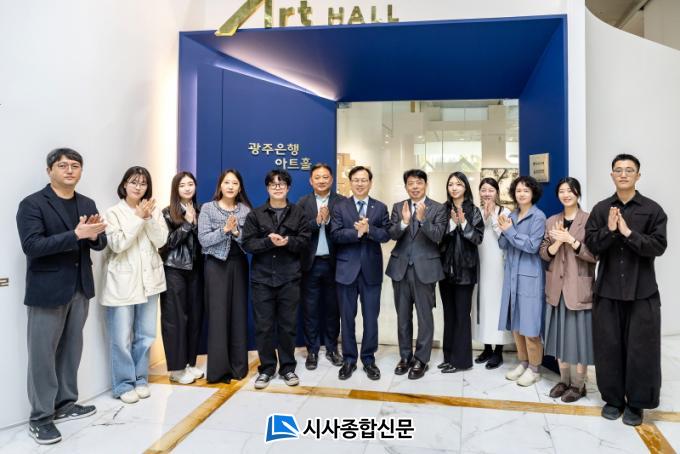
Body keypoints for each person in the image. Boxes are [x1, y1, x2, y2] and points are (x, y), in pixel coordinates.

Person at [16, 148, 107, 445]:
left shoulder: (87, 202)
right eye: (63, 165)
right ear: (50, 171)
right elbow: (32, 246)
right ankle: (41, 417)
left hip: (80, 288)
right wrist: (76, 235)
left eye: (75, 165)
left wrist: (95, 235)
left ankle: (65, 403)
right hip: (47, 291)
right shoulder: (32, 204)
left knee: (71, 350)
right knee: (42, 356)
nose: (70, 170)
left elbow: (99, 242)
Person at [585, 154, 667, 426]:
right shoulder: (600, 209)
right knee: (608, 348)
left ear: (638, 176)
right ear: (612, 175)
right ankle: (613, 399)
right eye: (618, 170)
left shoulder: (653, 210)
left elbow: (658, 246)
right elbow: (592, 246)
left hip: (642, 292)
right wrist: (610, 230)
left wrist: (628, 233)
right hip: (607, 291)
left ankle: (637, 403)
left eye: (629, 170)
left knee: (642, 350)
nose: (623, 174)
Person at [102, 166, 168, 404]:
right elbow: (117, 244)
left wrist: (148, 218)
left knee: (146, 335)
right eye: (134, 182)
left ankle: (140, 379)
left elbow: (161, 240)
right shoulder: (113, 213)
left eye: (143, 183)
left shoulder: (154, 211)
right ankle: (123, 384)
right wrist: (137, 218)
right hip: (122, 282)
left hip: (150, 281)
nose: (138, 187)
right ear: (124, 185)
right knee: (121, 338)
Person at [242, 169, 310, 389]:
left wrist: (288, 242)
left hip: (289, 277)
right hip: (262, 279)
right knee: (264, 327)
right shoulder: (255, 214)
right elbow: (248, 244)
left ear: (288, 188)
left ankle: (288, 368)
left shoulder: (298, 213)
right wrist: (268, 242)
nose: (277, 187)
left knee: (288, 326)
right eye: (273, 184)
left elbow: (305, 241)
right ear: (267, 188)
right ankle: (267, 369)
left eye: (281, 184)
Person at [330, 166, 390, 381]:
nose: (360, 183)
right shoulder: (340, 206)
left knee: (371, 318)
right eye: (356, 180)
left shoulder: (380, 207)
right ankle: (349, 359)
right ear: (350, 182)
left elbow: (386, 235)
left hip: (371, 270)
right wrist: (357, 232)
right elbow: (335, 234)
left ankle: (368, 359)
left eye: (364, 180)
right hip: (346, 270)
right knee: (347, 318)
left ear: (370, 182)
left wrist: (370, 230)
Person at [539, 177, 596, 403]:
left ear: (577, 194)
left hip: (578, 288)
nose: (566, 194)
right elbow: (544, 253)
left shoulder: (589, 220)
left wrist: (571, 240)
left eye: (570, 191)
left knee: (580, 339)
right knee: (559, 337)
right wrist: (557, 243)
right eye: (562, 191)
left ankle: (579, 384)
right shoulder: (552, 220)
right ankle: (563, 380)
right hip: (556, 288)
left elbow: (594, 255)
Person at [386, 169, 447, 379]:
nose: (414, 186)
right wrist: (403, 223)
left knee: (424, 317)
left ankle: (422, 359)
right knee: (403, 317)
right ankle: (405, 357)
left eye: (419, 182)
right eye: (410, 183)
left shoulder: (438, 208)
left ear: (425, 185)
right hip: (400, 269)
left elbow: (438, 236)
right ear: (405, 186)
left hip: (425, 270)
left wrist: (422, 220)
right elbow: (391, 234)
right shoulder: (398, 207)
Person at [198, 169, 252, 383]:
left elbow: (249, 241)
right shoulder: (208, 208)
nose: (230, 186)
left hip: (239, 264)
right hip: (216, 266)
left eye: (235, 183)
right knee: (218, 316)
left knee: (239, 314)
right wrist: (225, 230)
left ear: (240, 188)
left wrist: (237, 232)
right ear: (220, 185)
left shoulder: (245, 210)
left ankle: (239, 368)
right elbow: (203, 240)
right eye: (227, 182)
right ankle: (219, 370)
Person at [498, 175, 546, 387]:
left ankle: (535, 369)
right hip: (512, 275)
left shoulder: (538, 217)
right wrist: (503, 230)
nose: (521, 194)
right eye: (518, 190)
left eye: (526, 190)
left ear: (533, 193)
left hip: (530, 277)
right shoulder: (512, 214)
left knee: (530, 325)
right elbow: (502, 244)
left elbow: (532, 246)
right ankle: (523, 362)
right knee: (516, 324)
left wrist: (509, 231)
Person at [296, 163, 345, 370]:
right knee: (310, 310)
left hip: (335, 263)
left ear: (331, 180)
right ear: (311, 181)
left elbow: (345, 229)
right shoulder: (302, 202)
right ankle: (313, 351)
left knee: (334, 309)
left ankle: (332, 349)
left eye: (325, 177)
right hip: (311, 264)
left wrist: (330, 220)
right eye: (317, 177)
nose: (322, 180)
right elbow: (298, 230)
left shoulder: (342, 202)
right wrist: (316, 222)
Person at [159, 172, 204, 385]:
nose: (187, 188)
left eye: (190, 184)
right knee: (175, 318)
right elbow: (166, 244)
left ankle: (190, 363)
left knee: (195, 317)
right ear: (176, 189)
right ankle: (176, 369)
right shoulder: (167, 212)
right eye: (182, 185)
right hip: (174, 269)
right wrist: (186, 224)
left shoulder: (201, 210)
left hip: (196, 269)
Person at [438, 172, 484, 374]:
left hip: (465, 270)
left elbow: (478, 238)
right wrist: (450, 224)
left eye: (458, 184)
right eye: (451, 184)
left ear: (465, 187)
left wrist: (463, 223)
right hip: (444, 270)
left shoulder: (473, 210)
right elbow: (436, 237)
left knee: (462, 316)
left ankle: (461, 361)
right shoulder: (442, 209)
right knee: (449, 315)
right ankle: (448, 357)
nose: (454, 188)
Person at [472, 178, 513, 370]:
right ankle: (487, 347)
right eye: (483, 190)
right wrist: (484, 218)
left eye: (490, 190)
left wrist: (493, 219)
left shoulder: (505, 212)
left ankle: (498, 351)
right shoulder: (476, 212)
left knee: (497, 306)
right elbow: (473, 237)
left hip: (498, 265)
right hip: (480, 263)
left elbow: (506, 239)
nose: (487, 193)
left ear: (497, 192)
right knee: (482, 306)